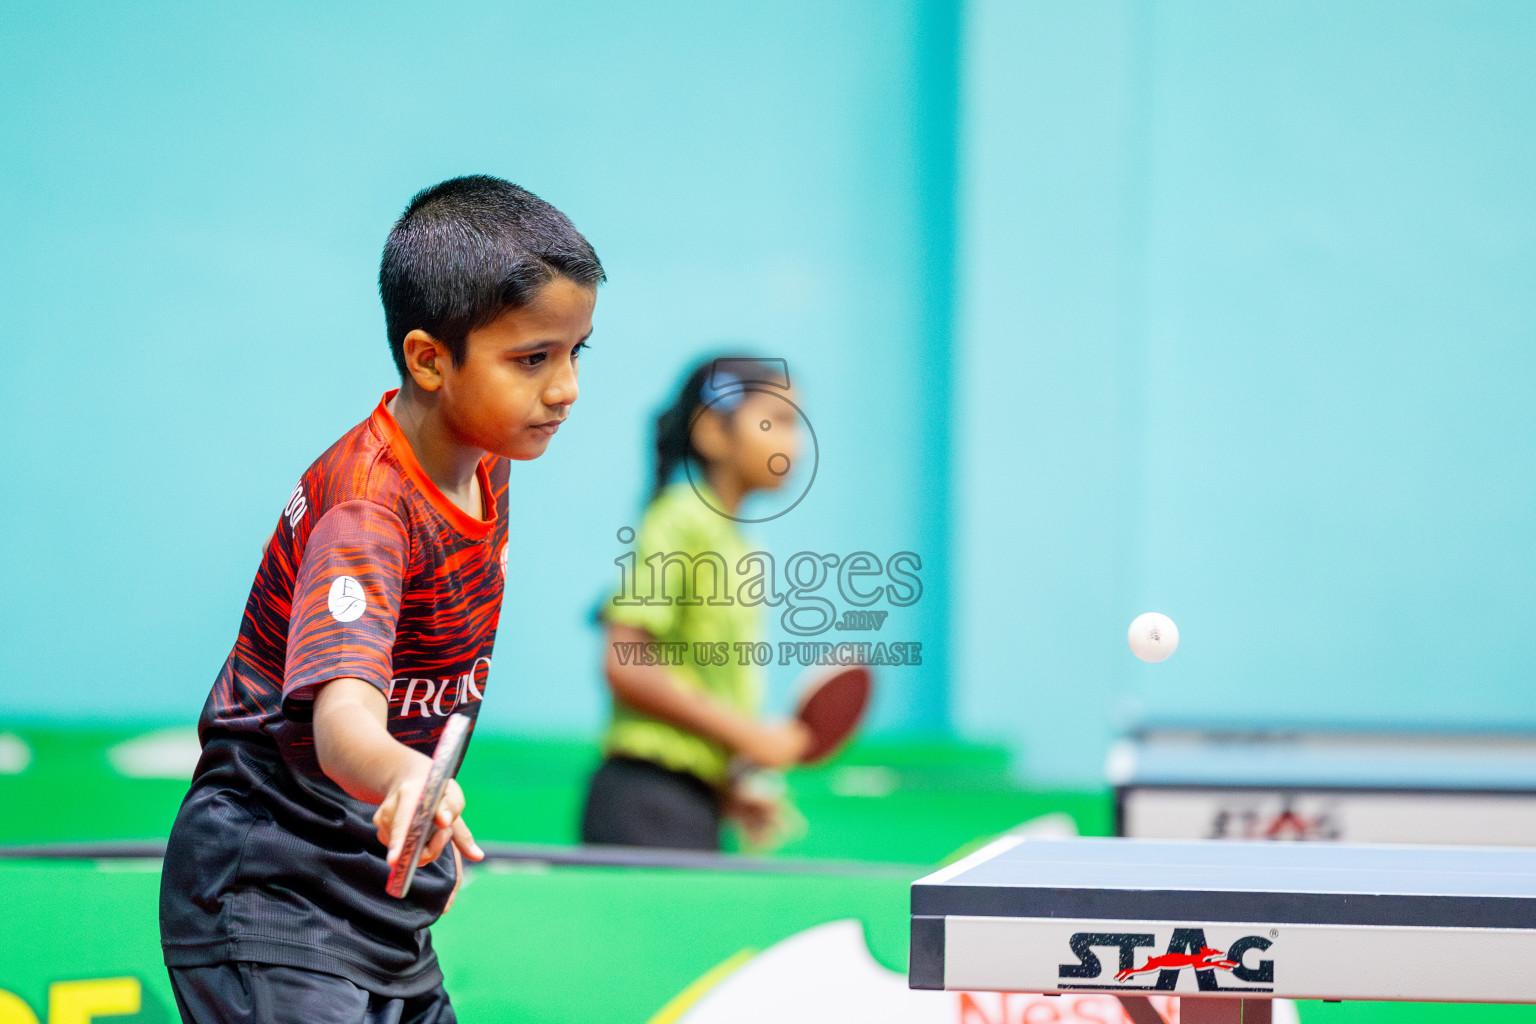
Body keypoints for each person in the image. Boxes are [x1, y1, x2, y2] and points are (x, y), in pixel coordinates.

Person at [159, 175, 603, 1023]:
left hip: (379, 899)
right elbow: (342, 726)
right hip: (271, 890)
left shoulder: (483, 459)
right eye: (533, 358)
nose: (566, 387)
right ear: (430, 358)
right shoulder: (368, 509)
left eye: (577, 351)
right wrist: (407, 774)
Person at [581, 357, 811, 851]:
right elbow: (626, 662)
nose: (794, 443)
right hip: (644, 802)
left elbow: (694, 682)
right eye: (777, 420)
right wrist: (751, 736)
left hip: (690, 803)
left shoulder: (737, 545)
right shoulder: (680, 517)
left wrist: (727, 789)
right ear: (712, 430)